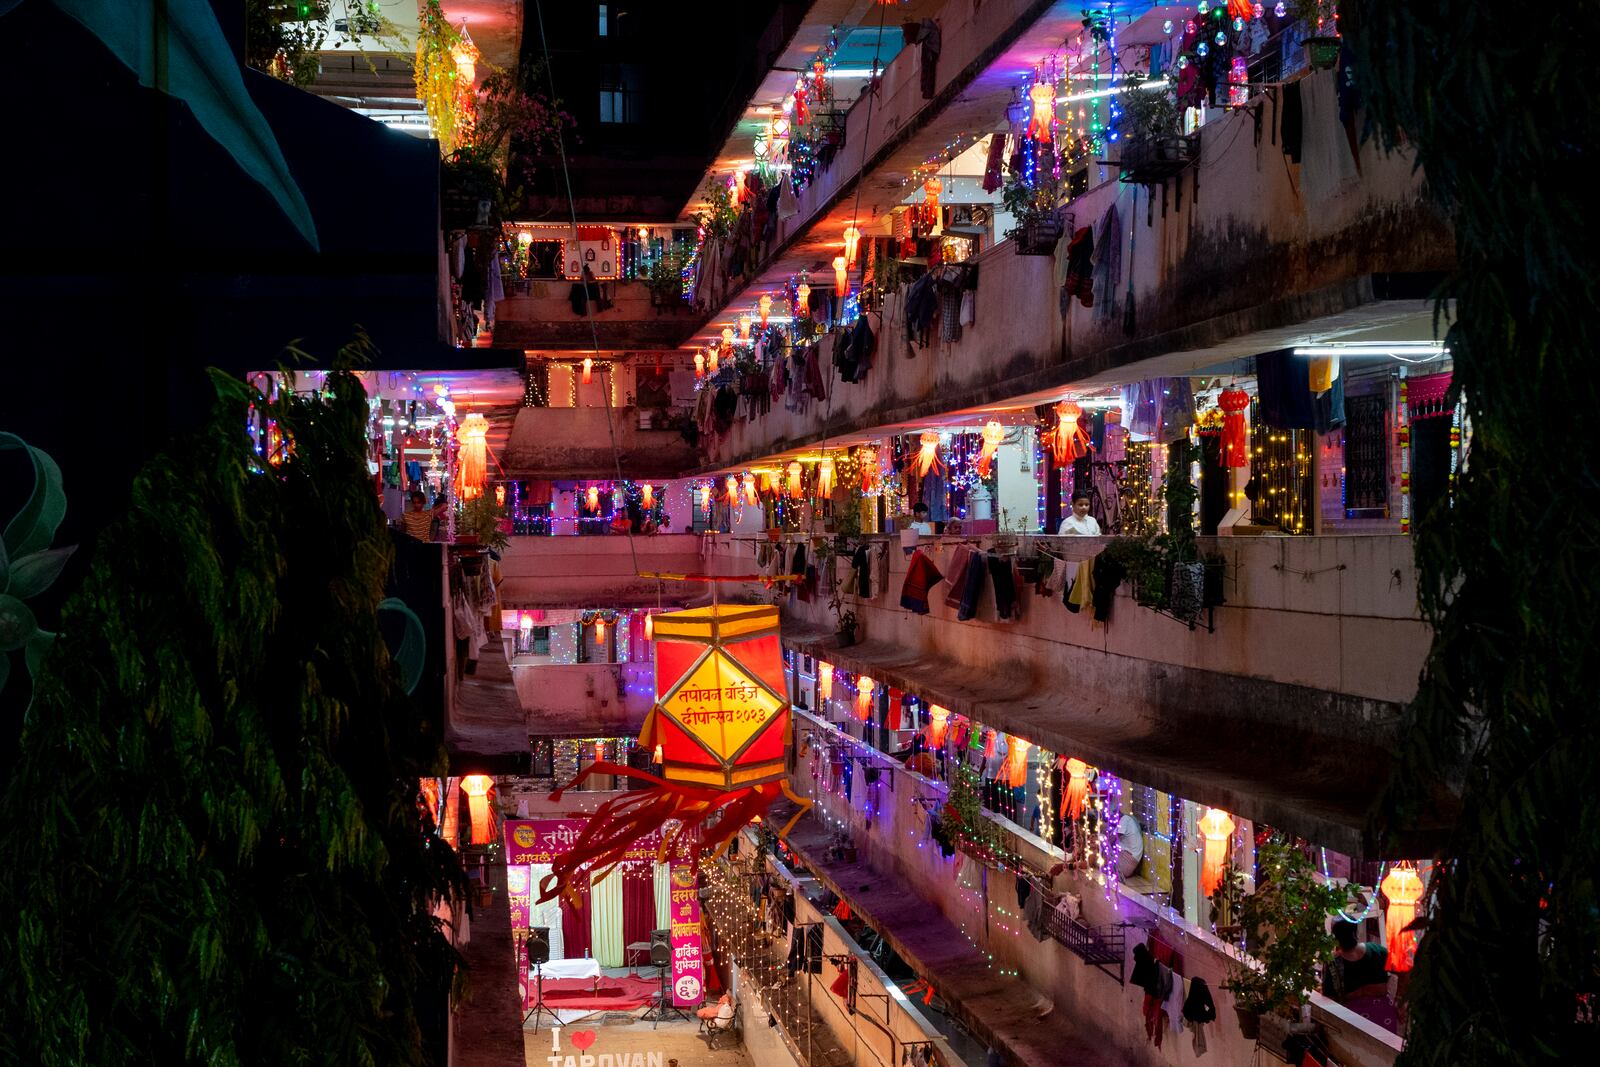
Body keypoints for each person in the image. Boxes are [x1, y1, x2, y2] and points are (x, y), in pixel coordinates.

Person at [1323, 919, 1389, 1003]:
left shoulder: (1332, 963)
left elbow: (1328, 999)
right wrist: (1398, 998)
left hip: (1350, 1014)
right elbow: (1404, 972)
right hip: (1384, 1011)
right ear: (1355, 932)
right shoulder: (1377, 950)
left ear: (1335, 938)